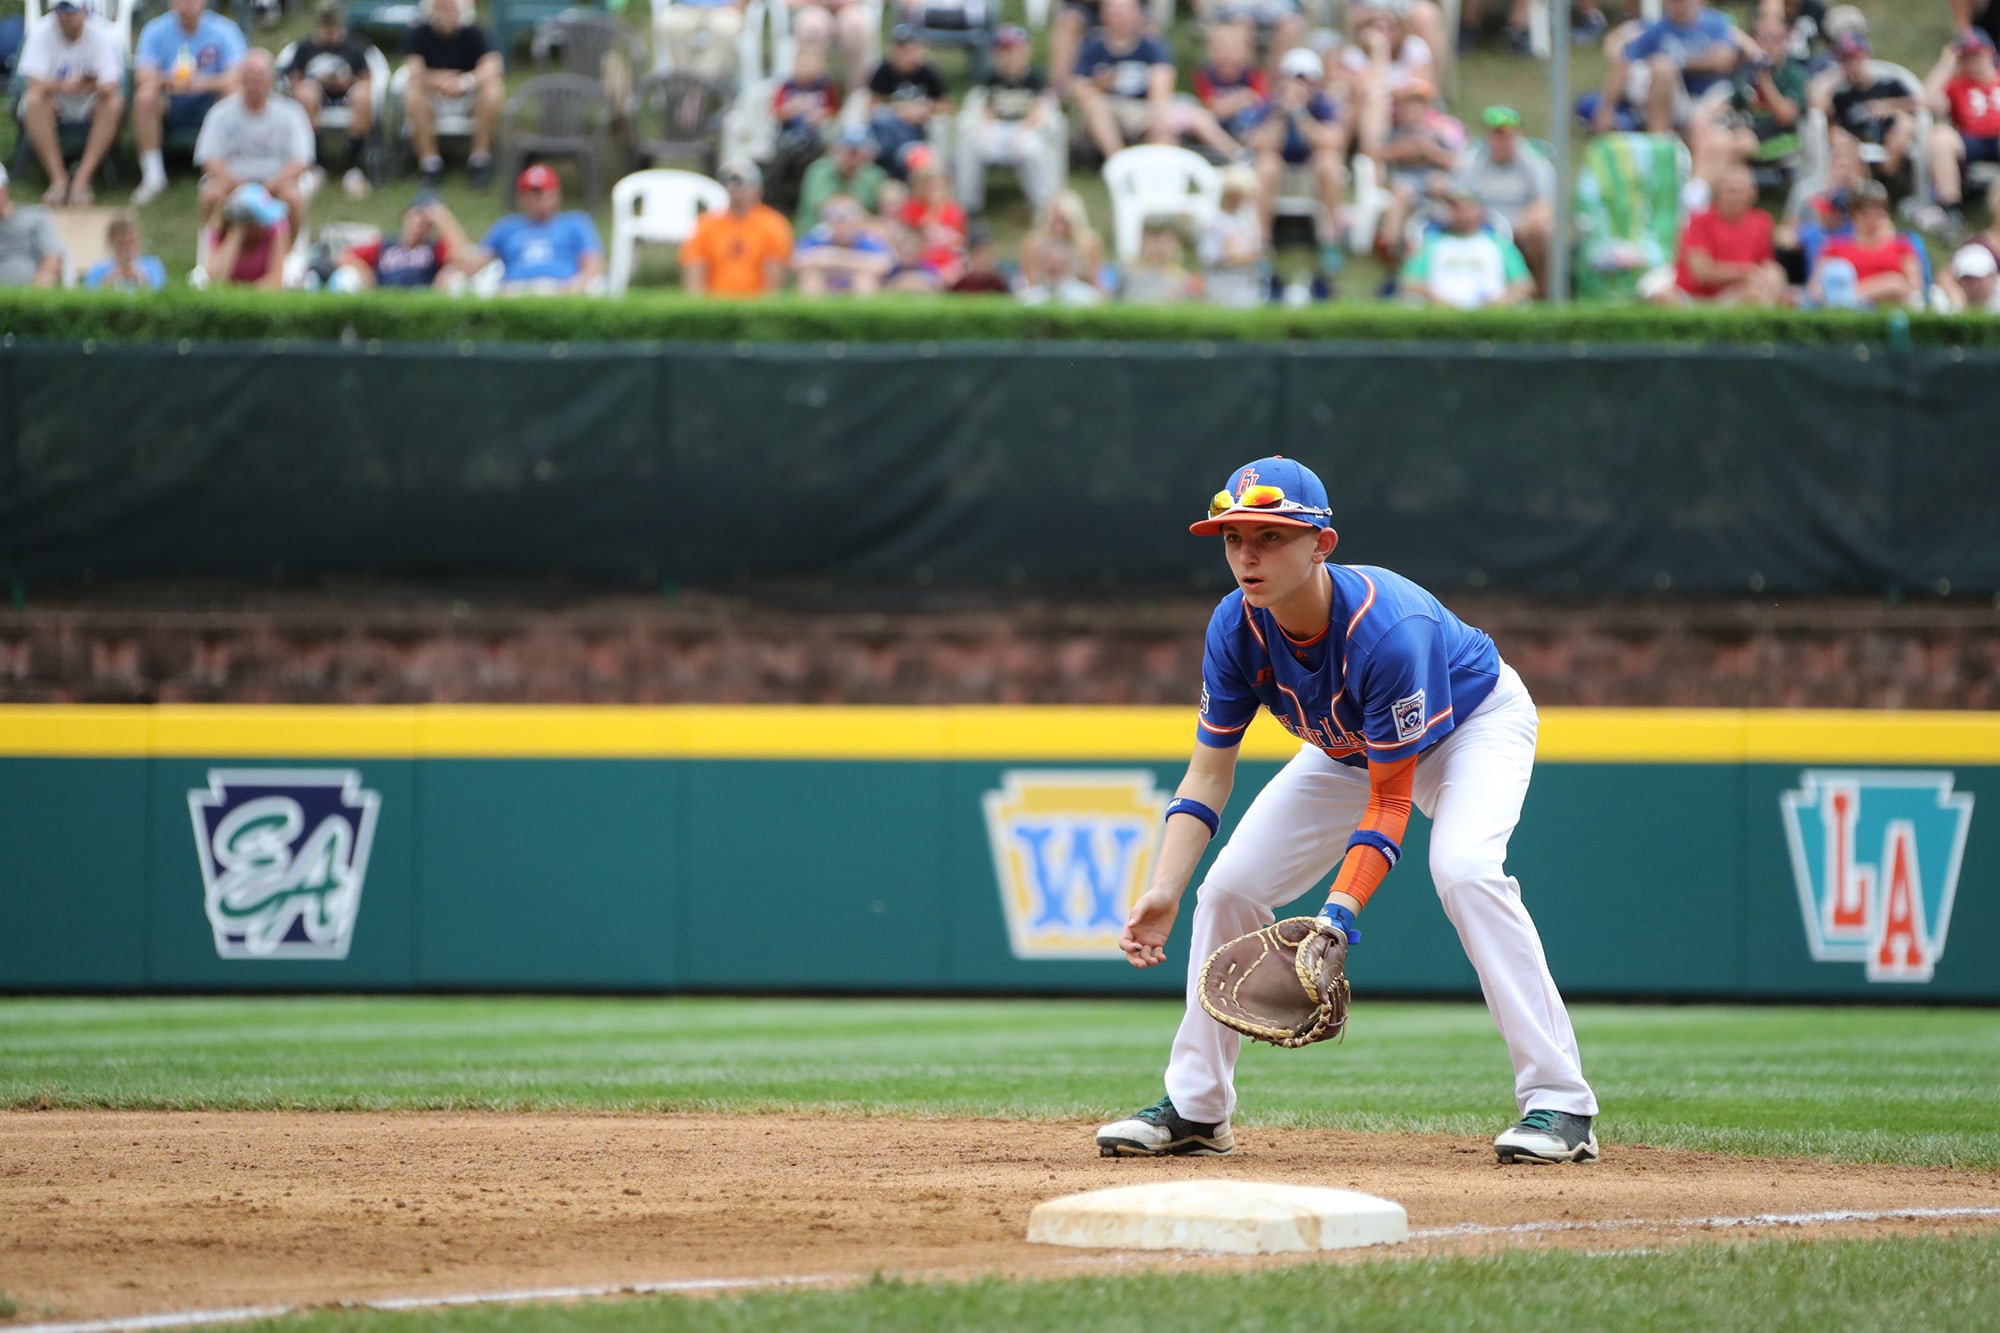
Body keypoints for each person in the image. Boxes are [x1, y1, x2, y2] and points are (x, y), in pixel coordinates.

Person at [1094, 455, 1601, 1166]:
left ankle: (1562, 1102)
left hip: (1470, 727)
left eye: (1270, 535)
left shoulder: (1388, 632)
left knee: (1465, 870)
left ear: (1321, 544)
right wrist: (1163, 887)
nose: (1247, 553)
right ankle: (1198, 1111)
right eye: (1234, 537)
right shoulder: (1236, 628)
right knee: (1228, 889)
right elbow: (1207, 774)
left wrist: (1337, 915)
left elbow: (1391, 800)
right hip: (1350, 746)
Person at [1072, 0, 1241, 163]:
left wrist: (1158, 114)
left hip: (1143, 108)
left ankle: (1236, 156)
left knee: (1170, 120)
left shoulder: (1151, 46)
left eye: (1122, 10)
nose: (1117, 15)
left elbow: (1162, 80)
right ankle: (1118, 162)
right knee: (1095, 105)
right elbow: (1078, 87)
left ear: (1135, 14)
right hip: (1109, 108)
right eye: (1113, 10)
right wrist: (1101, 84)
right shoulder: (1092, 46)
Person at [131, 0, 248, 205]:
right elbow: (143, 75)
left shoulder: (224, 29)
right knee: (145, 96)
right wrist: (171, 80)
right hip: (170, 103)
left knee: (235, 93)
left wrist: (203, 84)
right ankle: (153, 176)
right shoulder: (155, 30)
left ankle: (223, 170)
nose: (188, 3)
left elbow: (238, 73)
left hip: (209, 102)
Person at [194, 49, 316, 242]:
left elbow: (300, 161)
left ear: (271, 80)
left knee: (292, 197)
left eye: (259, 78)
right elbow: (209, 160)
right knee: (211, 194)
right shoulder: (220, 113)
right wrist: (240, 186)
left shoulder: (291, 113)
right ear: (241, 81)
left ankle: (286, 257)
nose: (254, 85)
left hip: (275, 180)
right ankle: (217, 255)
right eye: (249, 79)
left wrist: (269, 186)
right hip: (233, 181)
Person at [15, 0, 126, 206]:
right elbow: (33, 82)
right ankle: (58, 180)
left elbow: (111, 84)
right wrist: (63, 86)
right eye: (61, 11)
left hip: (88, 99)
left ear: (84, 11)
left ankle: (82, 180)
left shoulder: (102, 33)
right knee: (33, 101)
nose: (65, 17)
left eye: (71, 11)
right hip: (56, 99)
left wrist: (87, 84)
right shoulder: (41, 31)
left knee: (114, 103)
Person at [1592, 0, 1752, 137]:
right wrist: (1606, 108)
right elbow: (1624, 61)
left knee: (1664, 66)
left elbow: (1724, 60)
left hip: (1712, 95)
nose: (1679, 4)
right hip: (1677, 98)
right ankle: (1658, 141)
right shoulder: (1657, 30)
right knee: (1661, 69)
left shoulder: (1715, 22)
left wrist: (1680, 63)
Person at [1250, 47, 1347, 262]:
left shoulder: (1323, 104)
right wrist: (1281, 114)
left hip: (1311, 166)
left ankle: (1331, 239)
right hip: (1280, 165)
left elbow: (1331, 141)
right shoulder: (1270, 104)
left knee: (1329, 163)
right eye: (1295, 79)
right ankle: (1262, 243)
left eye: (1306, 80)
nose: (1300, 86)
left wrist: (1300, 114)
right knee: (1266, 165)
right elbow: (1262, 144)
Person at [955, 24, 1059, 216]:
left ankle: (1044, 206)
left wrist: (1025, 130)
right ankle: (968, 206)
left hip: (1026, 129)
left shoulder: (1034, 79)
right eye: (1003, 51)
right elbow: (985, 106)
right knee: (971, 145)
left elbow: (1040, 108)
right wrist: (988, 128)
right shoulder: (991, 78)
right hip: (998, 128)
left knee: (1032, 151)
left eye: (1014, 50)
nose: (1010, 57)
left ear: (1026, 51)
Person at [281, 0, 378, 200]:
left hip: (347, 96)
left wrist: (346, 82)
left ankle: (354, 167)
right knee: (306, 93)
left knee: (362, 97)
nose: (329, 29)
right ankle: (316, 164)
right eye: (326, 24)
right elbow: (294, 79)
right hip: (316, 98)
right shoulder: (305, 47)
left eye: (333, 24)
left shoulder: (355, 46)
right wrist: (316, 82)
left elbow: (367, 79)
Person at [401, 0, 503, 189]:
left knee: (493, 89)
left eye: (449, 8)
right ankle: (429, 164)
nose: (445, 13)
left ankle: (479, 161)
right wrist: (437, 81)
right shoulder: (419, 34)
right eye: (440, 8)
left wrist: (465, 82)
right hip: (433, 97)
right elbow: (413, 69)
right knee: (413, 93)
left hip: (468, 96)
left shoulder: (475, 32)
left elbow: (493, 64)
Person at [1455, 105, 1554, 291]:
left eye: (1508, 135)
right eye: (1497, 134)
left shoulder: (1534, 165)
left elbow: (1544, 204)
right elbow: (1460, 198)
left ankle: (1542, 294)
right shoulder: (1473, 163)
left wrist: (1523, 225)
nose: (1502, 140)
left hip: (1521, 225)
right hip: (1481, 224)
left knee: (1543, 232)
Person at [467, 164, 603, 294]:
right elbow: (473, 264)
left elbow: (593, 265)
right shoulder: (506, 227)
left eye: (544, 192)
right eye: (532, 193)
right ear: (520, 197)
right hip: (514, 289)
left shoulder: (576, 223)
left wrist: (577, 287)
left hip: (560, 288)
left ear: (556, 194)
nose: (539, 198)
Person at [1397, 181, 1535, 307]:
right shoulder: (1430, 244)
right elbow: (1409, 282)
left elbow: (1524, 284)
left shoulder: (1500, 245)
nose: (1461, 214)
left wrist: (1501, 301)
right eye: (1455, 208)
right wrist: (1435, 297)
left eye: (1467, 208)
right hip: (1441, 312)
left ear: (1479, 211)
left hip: (1492, 311)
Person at [1662, 163, 1785, 304]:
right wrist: (1746, 272)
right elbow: (1701, 272)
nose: (1735, 197)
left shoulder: (1762, 222)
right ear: (1718, 193)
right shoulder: (1699, 220)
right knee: (1664, 297)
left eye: (1740, 191)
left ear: (1753, 193)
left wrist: (1769, 278)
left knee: (1774, 274)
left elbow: (1766, 263)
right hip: (1694, 294)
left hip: (1736, 291)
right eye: (1730, 191)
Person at [1814, 32, 1917, 188]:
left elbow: (1921, 104)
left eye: (1855, 58)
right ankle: (1861, 187)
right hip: (1854, 143)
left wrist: (1890, 106)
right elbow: (1817, 108)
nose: (1852, 64)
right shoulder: (1842, 96)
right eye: (1846, 60)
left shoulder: (1890, 85)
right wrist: (1835, 78)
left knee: (1906, 124)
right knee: (1836, 135)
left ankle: (1885, 177)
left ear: (1866, 56)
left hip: (1889, 137)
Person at [679, 158, 793, 296]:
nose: (735, 187)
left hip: (756, 307)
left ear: (758, 187)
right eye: (730, 182)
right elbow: (694, 275)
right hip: (715, 305)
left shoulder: (773, 224)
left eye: (743, 182)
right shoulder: (705, 224)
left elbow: (774, 284)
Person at [1926, 31, 2000, 236]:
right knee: (1940, 137)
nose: (1973, 62)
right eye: (1967, 57)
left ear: (1990, 54)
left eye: (1977, 55)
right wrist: (1947, 63)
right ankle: (1952, 211)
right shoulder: (1957, 85)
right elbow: (1928, 102)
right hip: (1972, 140)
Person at [1810, 178, 1921, 308]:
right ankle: (1846, 300)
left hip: (1890, 305)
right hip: (1847, 312)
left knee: (1895, 283)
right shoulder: (1834, 247)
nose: (1880, 213)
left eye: (1883, 208)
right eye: (1873, 208)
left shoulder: (1901, 245)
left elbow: (1914, 290)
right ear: (1856, 213)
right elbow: (1815, 288)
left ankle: (1845, 298)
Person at [336, 189, 470, 287]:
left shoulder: (434, 248)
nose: (422, 219)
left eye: (427, 217)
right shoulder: (385, 244)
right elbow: (342, 256)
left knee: (456, 278)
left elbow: (462, 258)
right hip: (383, 292)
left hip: (422, 295)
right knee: (347, 276)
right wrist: (365, 273)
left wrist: (444, 219)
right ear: (405, 215)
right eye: (418, 213)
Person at [1197, 163, 1268, 307]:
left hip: (1247, 286)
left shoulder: (1245, 222)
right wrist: (1241, 257)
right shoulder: (1213, 222)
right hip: (1222, 287)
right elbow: (1210, 257)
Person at [793, 193, 893, 294]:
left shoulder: (866, 239)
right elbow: (798, 260)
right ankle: (813, 310)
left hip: (853, 283)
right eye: (836, 222)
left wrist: (831, 258)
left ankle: (862, 310)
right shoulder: (819, 237)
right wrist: (855, 261)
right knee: (811, 278)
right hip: (826, 283)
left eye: (847, 221)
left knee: (865, 281)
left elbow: (884, 264)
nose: (842, 228)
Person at [795, 124, 887, 231]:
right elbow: (830, 209)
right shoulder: (820, 170)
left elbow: (887, 207)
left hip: (860, 235)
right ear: (836, 150)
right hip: (820, 233)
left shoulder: (874, 175)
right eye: (850, 151)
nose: (853, 158)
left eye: (860, 152)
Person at [1018, 188, 1106, 295]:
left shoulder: (1089, 243)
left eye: (1063, 221)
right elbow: (1030, 280)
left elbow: (1095, 280)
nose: (1059, 227)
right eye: (1055, 220)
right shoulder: (1034, 243)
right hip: (1044, 290)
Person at [205, 179, 289, 287]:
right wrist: (236, 234)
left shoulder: (274, 227)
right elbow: (215, 278)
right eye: (259, 220)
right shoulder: (221, 231)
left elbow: (275, 280)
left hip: (253, 294)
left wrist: (244, 292)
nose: (264, 225)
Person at [0, 164, 66, 287]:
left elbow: (52, 261)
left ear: (5, 189)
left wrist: (34, 294)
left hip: (27, 298)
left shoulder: (35, 217)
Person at [654, 0, 744, 86]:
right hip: (686, 7)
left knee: (728, 27)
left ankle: (701, 81)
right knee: (671, 24)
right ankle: (684, 79)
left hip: (723, 9)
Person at [81, 211, 167, 290]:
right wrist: (108, 281)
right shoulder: (98, 268)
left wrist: (140, 278)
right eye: (121, 243)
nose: (127, 247)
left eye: (131, 242)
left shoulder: (153, 265)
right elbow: (89, 297)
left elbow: (160, 295)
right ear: (111, 243)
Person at [1119, 218, 1195, 303]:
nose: (1157, 246)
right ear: (1143, 242)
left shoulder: (1182, 278)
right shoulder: (1127, 274)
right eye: (1153, 239)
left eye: (1163, 240)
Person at [1945, 240, 2000, 310]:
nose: (1974, 284)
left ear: (1991, 276)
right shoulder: (1944, 300)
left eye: (1979, 279)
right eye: (1968, 278)